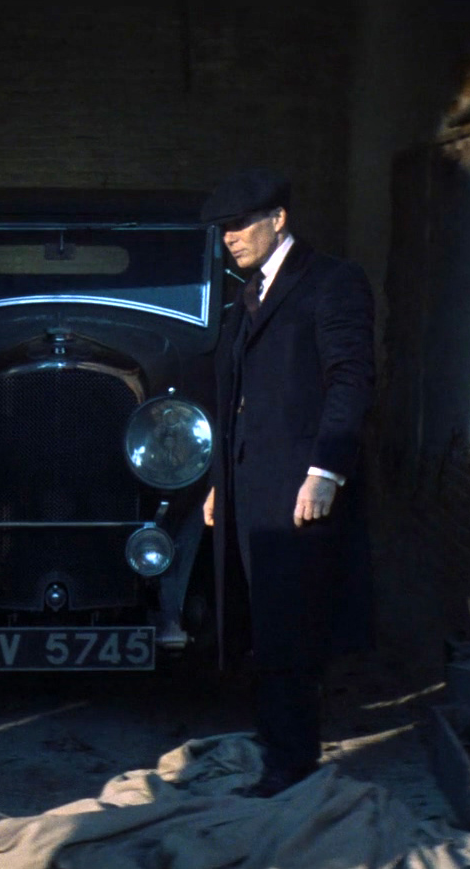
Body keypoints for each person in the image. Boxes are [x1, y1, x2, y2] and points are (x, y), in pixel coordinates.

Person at [200, 168, 375, 798]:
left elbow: (350, 379)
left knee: (293, 629)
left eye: (240, 224)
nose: (229, 237)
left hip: (298, 487)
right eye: (223, 228)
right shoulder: (248, 293)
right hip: (250, 487)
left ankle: (291, 766)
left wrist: (326, 471)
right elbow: (240, 397)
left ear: (278, 219)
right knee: (264, 624)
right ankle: (278, 747)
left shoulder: (331, 282)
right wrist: (222, 481)